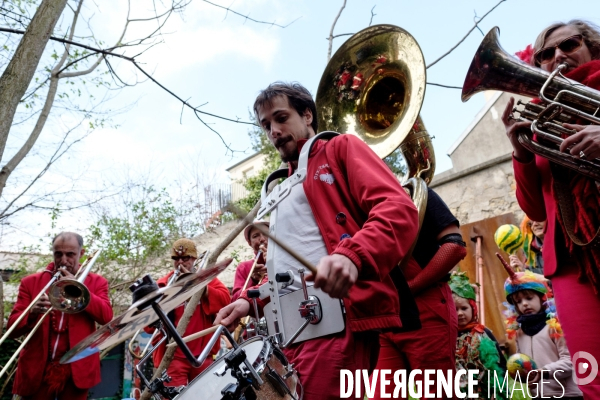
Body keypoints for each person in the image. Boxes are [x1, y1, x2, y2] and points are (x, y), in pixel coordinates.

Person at [215, 82, 420, 399]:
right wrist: (252, 302)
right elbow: (290, 268)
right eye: (266, 125)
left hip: (334, 321)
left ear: (307, 114)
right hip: (293, 331)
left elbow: (398, 209)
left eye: (281, 118)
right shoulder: (281, 186)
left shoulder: (341, 148)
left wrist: (352, 255)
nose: (274, 130)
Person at [502, 19, 600, 396]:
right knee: (591, 373)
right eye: (545, 54)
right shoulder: (541, 120)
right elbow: (536, 211)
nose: (557, 56)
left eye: (569, 44)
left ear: (591, 47)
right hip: (572, 260)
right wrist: (521, 154)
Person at [371, 187, 467, 399]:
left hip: (425, 308)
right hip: (384, 317)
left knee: (436, 394)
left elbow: (455, 246)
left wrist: (408, 289)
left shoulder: (415, 192)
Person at [7, 232, 113, 400]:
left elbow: (106, 317)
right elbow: (12, 328)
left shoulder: (96, 282)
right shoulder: (31, 282)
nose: (64, 260)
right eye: (58, 254)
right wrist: (31, 312)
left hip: (77, 371)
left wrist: (81, 288)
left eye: (70, 254)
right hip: (36, 370)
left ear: (81, 254)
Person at [148, 238, 230, 387]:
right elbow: (147, 327)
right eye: (176, 258)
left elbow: (226, 301)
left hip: (202, 355)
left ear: (194, 259)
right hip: (173, 357)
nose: (180, 262)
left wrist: (201, 287)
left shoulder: (207, 279)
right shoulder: (163, 284)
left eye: (185, 258)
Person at [502, 266, 582, 399]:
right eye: (519, 302)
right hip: (539, 396)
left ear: (542, 298)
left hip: (566, 394)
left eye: (529, 298)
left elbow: (570, 362)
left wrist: (544, 372)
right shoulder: (520, 333)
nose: (525, 304)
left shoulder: (554, 326)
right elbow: (523, 363)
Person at [450, 271, 507, 400]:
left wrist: (498, 391)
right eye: (455, 309)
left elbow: (500, 364)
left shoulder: (483, 333)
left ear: (473, 309)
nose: (459, 313)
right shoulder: (446, 336)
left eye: (464, 308)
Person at [231, 220, 269, 302]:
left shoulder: (283, 259)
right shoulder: (243, 267)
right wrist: (253, 280)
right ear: (249, 243)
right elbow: (235, 300)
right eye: (255, 236)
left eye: (266, 233)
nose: (262, 239)